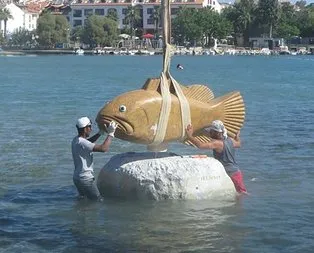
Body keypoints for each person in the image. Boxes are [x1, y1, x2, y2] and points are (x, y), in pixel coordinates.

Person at [186, 120, 247, 194]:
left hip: (230, 173)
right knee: (240, 193)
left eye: (211, 132)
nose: (210, 133)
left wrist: (190, 136)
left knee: (243, 193)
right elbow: (239, 144)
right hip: (236, 172)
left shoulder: (217, 143)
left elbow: (201, 145)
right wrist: (237, 137)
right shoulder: (230, 140)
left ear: (217, 133)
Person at [71, 116, 117, 201]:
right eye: (90, 127)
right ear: (85, 129)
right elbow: (104, 148)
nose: (91, 129)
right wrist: (111, 134)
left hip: (77, 178)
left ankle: (82, 213)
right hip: (86, 179)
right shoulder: (83, 143)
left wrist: (100, 133)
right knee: (98, 201)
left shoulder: (76, 140)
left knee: (83, 199)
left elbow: (88, 142)